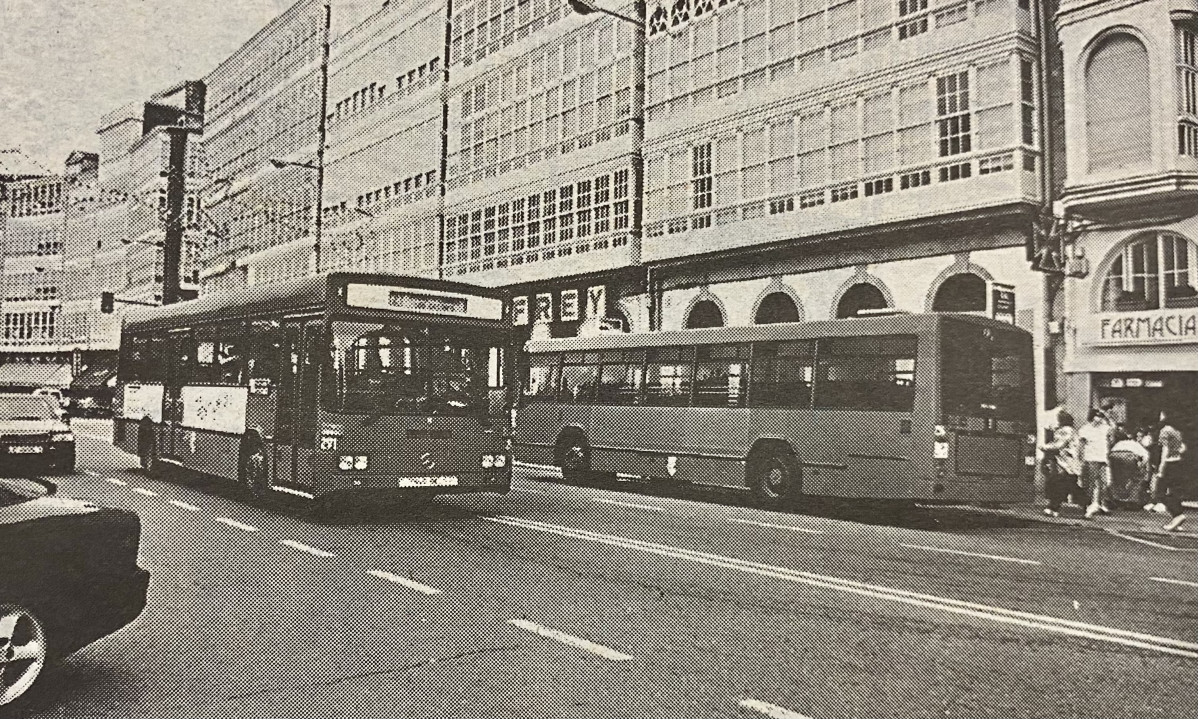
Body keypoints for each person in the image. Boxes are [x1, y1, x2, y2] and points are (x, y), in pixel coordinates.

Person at [1040, 411, 1081, 517]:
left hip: (1066, 463)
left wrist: (1044, 447)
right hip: (1068, 462)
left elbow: (1059, 444)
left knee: (1062, 484)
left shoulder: (1066, 430)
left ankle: (1053, 507)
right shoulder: (1069, 430)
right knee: (1067, 485)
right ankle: (1054, 507)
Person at [1077, 408, 1113, 519]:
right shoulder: (1085, 429)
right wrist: (1081, 459)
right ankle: (1088, 507)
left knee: (1104, 483)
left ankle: (1100, 504)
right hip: (1090, 458)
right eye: (1097, 416)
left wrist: (1107, 417)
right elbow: (1081, 446)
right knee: (1090, 484)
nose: (1099, 418)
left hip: (1103, 458)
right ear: (1092, 417)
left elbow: (1113, 431)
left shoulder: (1105, 428)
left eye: (1101, 416)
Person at [1156, 411, 1188, 531]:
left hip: (1169, 463)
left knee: (1160, 492)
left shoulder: (1165, 431)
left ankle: (1177, 515)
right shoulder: (1177, 432)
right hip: (1178, 463)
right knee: (1174, 491)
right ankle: (1177, 519)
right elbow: (1182, 448)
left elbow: (1165, 450)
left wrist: (1161, 467)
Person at [1108, 430, 1150, 506]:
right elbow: (1146, 457)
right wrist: (1140, 467)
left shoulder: (1120, 442)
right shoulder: (1136, 444)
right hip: (1128, 456)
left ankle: (1115, 498)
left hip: (1113, 457)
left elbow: (1111, 452)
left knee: (1116, 479)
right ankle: (1132, 500)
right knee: (1137, 478)